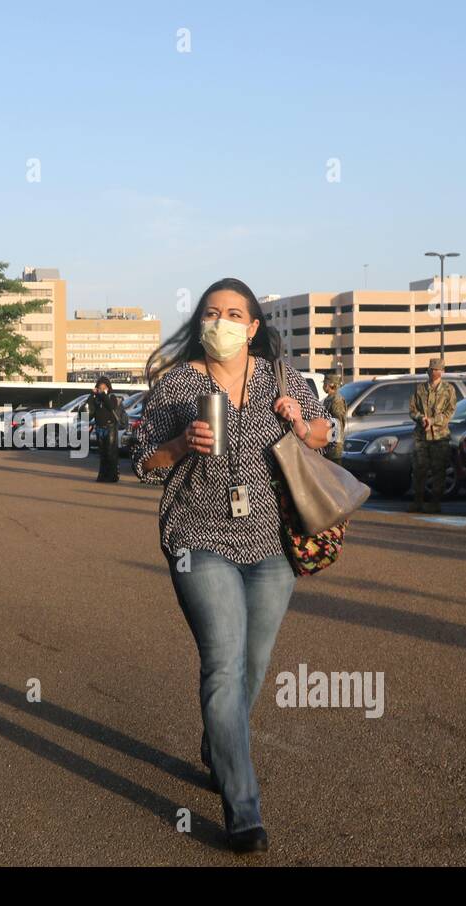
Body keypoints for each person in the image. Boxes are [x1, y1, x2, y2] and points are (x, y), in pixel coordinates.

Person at [132, 278, 329, 854]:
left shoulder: (280, 378)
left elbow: (325, 434)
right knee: (222, 663)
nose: (222, 322)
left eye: (234, 314)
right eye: (212, 313)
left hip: (271, 542)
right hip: (199, 536)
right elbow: (144, 461)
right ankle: (243, 810)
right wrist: (177, 447)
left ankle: (219, 747)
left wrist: (300, 421)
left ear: (253, 326)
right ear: (201, 322)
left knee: (253, 664)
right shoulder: (178, 383)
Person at [408, 357, 455, 513]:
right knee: (419, 470)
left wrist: (433, 420)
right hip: (421, 436)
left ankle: (435, 503)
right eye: (431, 369)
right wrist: (421, 418)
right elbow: (412, 410)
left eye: (436, 370)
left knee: (438, 470)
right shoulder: (420, 388)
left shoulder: (449, 389)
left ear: (442, 371)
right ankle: (418, 501)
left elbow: (450, 412)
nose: (433, 372)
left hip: (439, 437)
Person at [84, 375, 125, 482]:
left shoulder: (112, 397)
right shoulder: (96, 399)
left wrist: (103, 395)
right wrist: (92, 395)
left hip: (110, 427)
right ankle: (102, 475)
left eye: (104, 388)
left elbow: (111, 406)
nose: (101, 390)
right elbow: (89, 410)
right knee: (102, 453)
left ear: (108, 388)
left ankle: (112, 476)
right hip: (99, 427)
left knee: (111, 453)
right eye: (99, 388)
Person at [323, 373, 347, 463]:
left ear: (332, 385)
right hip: (327, 441)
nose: (324, 386)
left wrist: (333, 443)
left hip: (334, 445)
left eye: (325, 384)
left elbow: (338, 421)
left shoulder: (337, 400)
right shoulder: (328, 399)